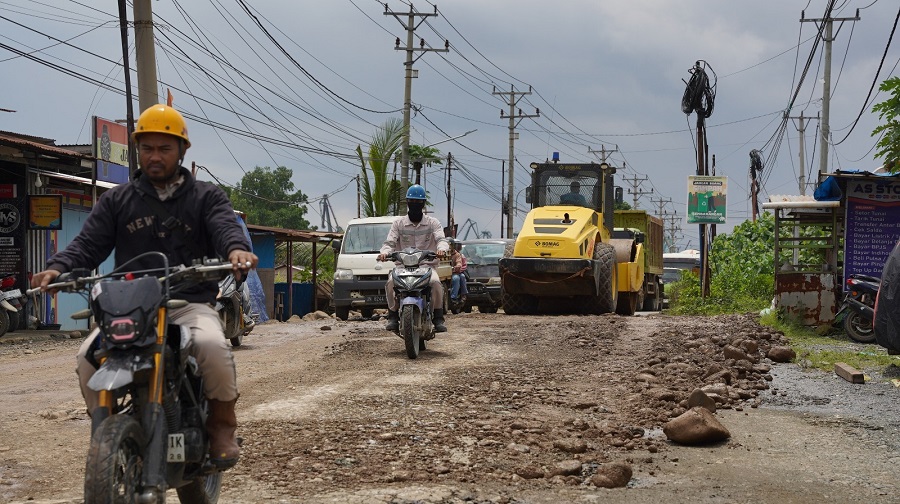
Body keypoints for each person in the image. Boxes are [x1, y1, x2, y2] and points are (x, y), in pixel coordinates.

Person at [30, 104, 257, 471]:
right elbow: (87, 245)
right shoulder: (118, 200)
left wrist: (236, 249)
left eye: (164, 148)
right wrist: (57, 268)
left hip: (188, 301)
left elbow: (224, 227)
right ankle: (106, 433)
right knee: (87, 359)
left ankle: (221, 426)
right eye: (147, 148)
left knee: (213, 346)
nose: (155, 156)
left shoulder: (206, 196)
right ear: (138, 150)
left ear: (182, 150)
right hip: (131, 305)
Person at [377, 184, 450, 333]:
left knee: (436, 282)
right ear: (407, 202)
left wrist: (442, 249)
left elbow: (441, 239)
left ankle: (438, 316)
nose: (415, 205)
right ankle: (392, 315)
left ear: (423, 204)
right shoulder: (398, 224)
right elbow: (390, 242)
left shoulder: (433, 223)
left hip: (426, 266)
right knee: (391, 282)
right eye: (412, 201)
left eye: (418, 202)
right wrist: (385, 252)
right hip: (402, 267)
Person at [449, 239, 468, 306]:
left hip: (455, 273)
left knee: (457, 278)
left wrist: (455, 268)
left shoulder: (457, 255)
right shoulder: (442, 254)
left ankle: (454, 297)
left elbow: (459, 264)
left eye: (450, 245)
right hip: (444, 274)